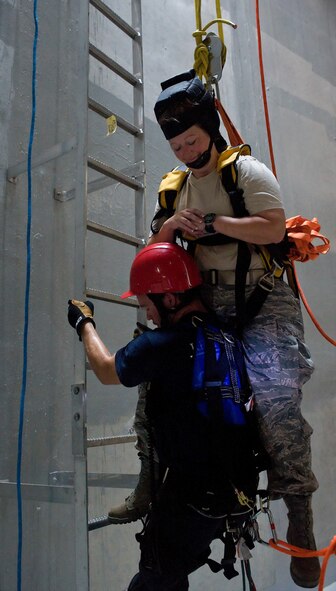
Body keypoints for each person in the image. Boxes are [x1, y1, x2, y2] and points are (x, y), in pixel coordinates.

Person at [108, 69, 320, 589]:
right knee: (155, 384)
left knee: (276, 401)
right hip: (201, 304)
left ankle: (300, 517)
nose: (186, 152)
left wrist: (215, 225)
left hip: (260, 303)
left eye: (193, 140)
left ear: (210, 131)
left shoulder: (246, 173)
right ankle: (147, 481)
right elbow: (153, 247)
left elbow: (273, 226)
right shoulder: (173, 188)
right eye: (177, 145)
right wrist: (168, 227)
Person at [67, 242, 259, 591]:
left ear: (170, 299)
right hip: (236, 492)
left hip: (191, 498)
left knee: (154, 580)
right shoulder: (227, 336)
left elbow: (107, 371)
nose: (150, 317)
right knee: (173, 575)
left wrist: (84, 323)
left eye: (148, 306)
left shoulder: (162, 343)